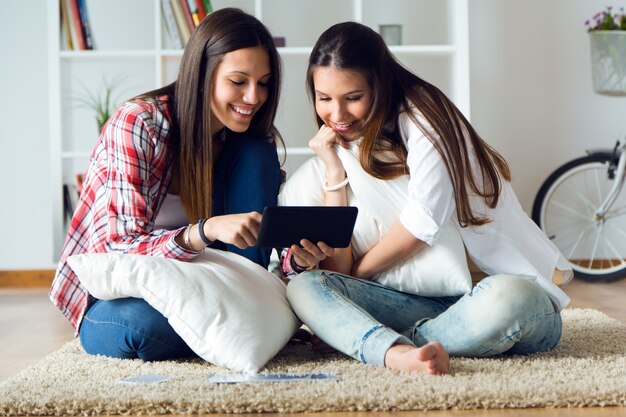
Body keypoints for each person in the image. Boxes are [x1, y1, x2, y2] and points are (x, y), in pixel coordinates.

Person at [281, 22, 573, 375]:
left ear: (380, 85)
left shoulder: (423, 113)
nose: (337, 115)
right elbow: (335, 272)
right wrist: (333, 173)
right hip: (418, 304)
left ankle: (386, 342)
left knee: (510, 298)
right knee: (307, 286)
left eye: (353, 98)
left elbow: (423, 222)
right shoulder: (340, 147)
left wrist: (358, 279)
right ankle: (396, 354)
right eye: (324, 98)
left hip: (486, 297)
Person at [50, 8, 283, 361]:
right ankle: (242, 325)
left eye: (263, 83)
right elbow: (118, 247)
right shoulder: (139, 123)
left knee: (256, 152)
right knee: (141, 328)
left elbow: (259, 249)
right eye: (238, 82)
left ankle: (241, 321)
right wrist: (202, 232)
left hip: (210, 285)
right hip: (126, 291)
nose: (254, 97)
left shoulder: (247, 144)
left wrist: (297, 259)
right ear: (203, 75)